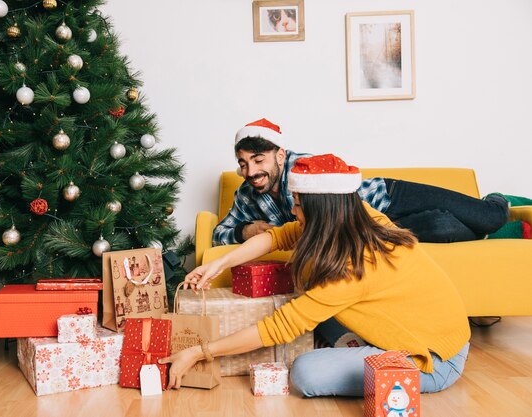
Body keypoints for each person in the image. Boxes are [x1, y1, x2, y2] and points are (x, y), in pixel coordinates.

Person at [160, 154, 471, 396]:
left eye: (298, 205)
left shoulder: (354, 267)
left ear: (322, 211)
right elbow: (276, 237)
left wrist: (201, 351)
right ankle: (356, 346)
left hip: (433, 360)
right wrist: (220, 263)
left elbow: (278, 327)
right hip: (427, 331)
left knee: (306, 373)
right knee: (311, 304)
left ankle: (366, 351)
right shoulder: (355, 217)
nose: (293, 212)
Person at [213, 118, 512, 246]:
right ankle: (481, 233)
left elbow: (319, 226)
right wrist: (246, 229)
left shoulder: (304, 171)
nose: (250, 171)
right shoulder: (247, 194)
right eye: (243, 163)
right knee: (442, 226)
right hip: (375, 228)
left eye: (258, 160)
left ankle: (498, 200)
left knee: (492, 217)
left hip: (388, 197)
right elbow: (219, 234)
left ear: (279, 155)